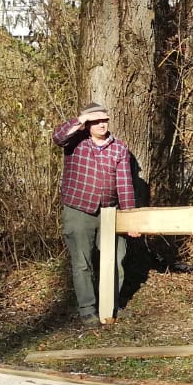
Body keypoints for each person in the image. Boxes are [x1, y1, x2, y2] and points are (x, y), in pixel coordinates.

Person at [52, 100, 139, 323]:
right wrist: (80, 120)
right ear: (87, 124)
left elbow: (125, 185)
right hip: (78, 210)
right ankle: (87, 310)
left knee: (116, 259)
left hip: (109, 211)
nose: (102, 124)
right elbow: (58, 136)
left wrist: (130, 219)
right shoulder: (75, 142)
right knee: (82, 263)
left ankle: (110, 306)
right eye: (96, 121)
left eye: (104, 120)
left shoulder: (119, 148)